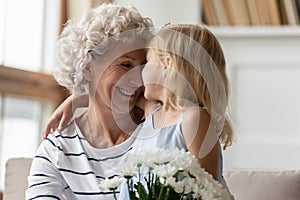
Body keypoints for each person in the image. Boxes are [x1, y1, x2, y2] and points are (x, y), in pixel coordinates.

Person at [43, 24, 235, 198]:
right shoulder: (154, 113)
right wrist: (75, 100)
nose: (138, 75)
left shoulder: (193, 118)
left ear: (167, 65)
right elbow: (111, 94)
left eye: (146, 63)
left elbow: (207, 190)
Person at [26, 3, 153, 199]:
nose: (138, 79)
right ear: (87, 68)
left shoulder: (159, 131)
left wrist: (80, 99)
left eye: (143, 66)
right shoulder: (57, 151)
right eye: (125, 64)